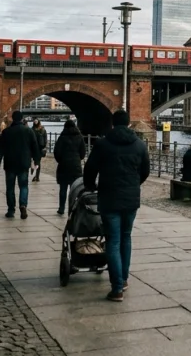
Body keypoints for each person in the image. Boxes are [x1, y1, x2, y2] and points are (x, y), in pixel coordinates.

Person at [83, 110, 149, 302]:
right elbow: (145, 171)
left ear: (112, 124)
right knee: (126, 238)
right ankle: (124, 279)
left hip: (109, 197)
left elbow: (90, 168)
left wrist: (90, 185)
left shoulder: (103, 144)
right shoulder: (139, 145)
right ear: (129, 124)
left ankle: (117, 287)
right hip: (130, 199)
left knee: (112, 240)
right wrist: (134, 185)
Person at [0, 110, 41, 220]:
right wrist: (36, 161)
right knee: (23, 186)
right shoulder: (29, 131)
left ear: (12, 119)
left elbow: (0, 149)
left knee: (10, 188)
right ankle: (23, 205)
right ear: (21, 119)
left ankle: (11, 210)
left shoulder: (6, 132)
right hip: (24, 163)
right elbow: (35, 147)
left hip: (10, 163)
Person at [53, 119, 86, 215]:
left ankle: (61, 208)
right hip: (75, 166)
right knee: (74, 189)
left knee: (63, 189)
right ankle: (72, 208)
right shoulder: (79, 137)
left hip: (64, 165)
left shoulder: (62, 137)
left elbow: (57, 152)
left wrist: (61, 160)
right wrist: (77, 159)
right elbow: (83, 153)